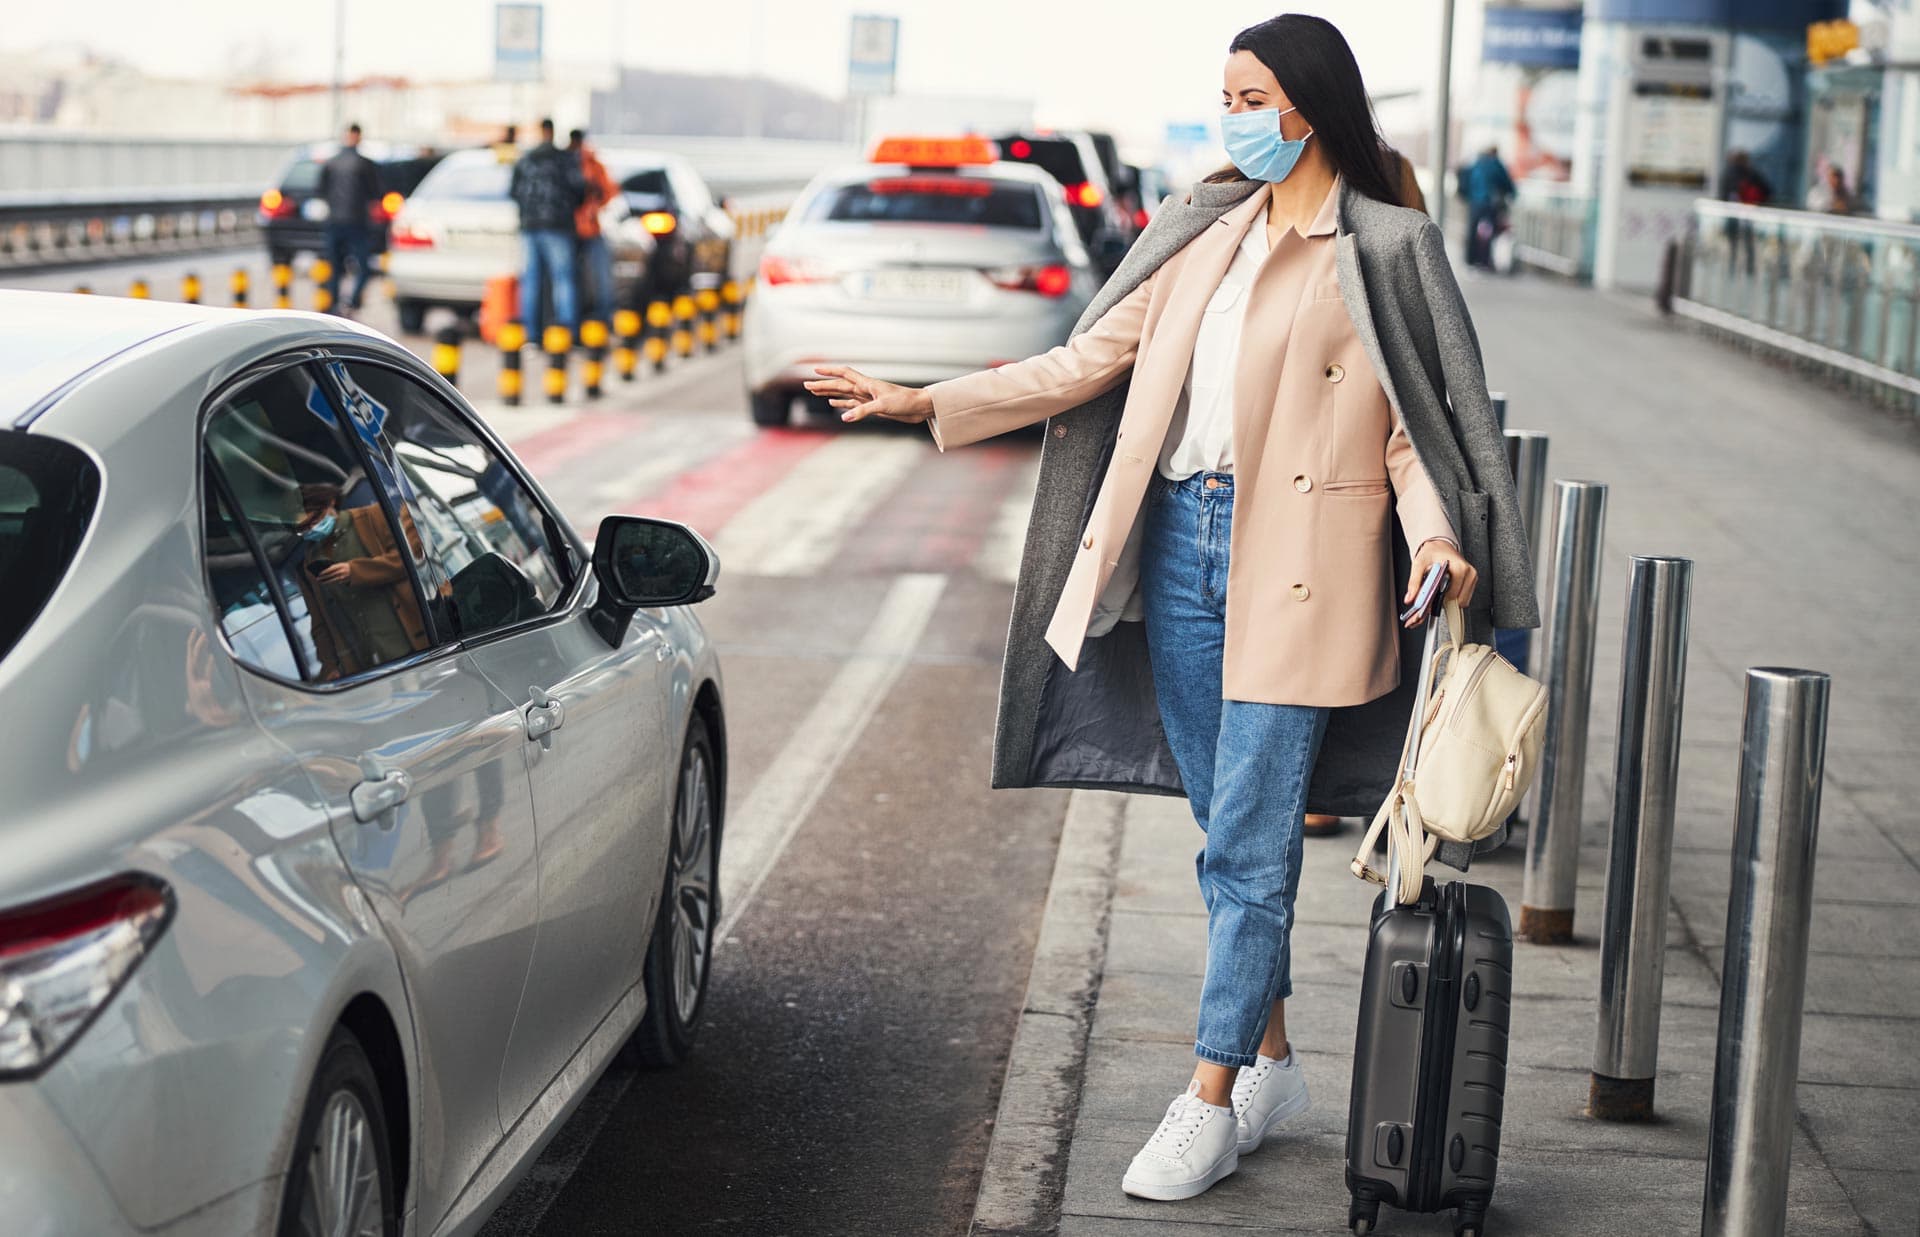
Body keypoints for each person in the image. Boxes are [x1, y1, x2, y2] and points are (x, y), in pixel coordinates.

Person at [806, 13, 1536, 1205]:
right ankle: (1277, 1061)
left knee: (1249, 848)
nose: (1232, 116)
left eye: (1250, 96)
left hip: (1303, 563)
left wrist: (1442, 536)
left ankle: (1207, 1097)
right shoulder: (1201, 230)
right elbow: (1082, 363)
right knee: (1223, 837)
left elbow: (1418, 429)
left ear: (1306, 107)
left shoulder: (1388, 248)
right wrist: (918, 400)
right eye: (1226, 95)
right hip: (1184, 551)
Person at [509, 118, 585, 340]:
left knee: (531, 280)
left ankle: (530, 336)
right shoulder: (564, 159)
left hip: (529, 225)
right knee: (563, 279)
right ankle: (565, 334)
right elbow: (579, 189)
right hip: (557, 226)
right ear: (552, 132)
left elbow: (513, 191)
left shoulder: (526, 159)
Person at [318, 123, 383, 315]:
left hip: (335, 221)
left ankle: (333, 305)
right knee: (363, 267)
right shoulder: (366, 164)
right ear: (359, 137)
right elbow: (377, 192)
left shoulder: (331, 163)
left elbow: (320, 190)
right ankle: (352, 302)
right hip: (358, 222)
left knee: (335, 266)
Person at [571, 126, 619, 326]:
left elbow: (608, 191)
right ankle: (598, 317)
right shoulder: (587, 162)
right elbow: (610, 191)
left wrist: (593, 208)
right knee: (592, 276)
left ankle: (601, 317)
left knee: (596, 276)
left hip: (582, 228)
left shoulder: (589, 163)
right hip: (578, 228)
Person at [1462, 145, 1515, 269]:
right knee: (1488, 232)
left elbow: (1466, 179)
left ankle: (1469, 261)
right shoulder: (1495, 164)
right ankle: (1484, 262)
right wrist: (1512, 195)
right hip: (1489, 203)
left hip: (1474, 202)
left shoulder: (1476, 163)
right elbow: (1506, 182)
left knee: (1472, 231)